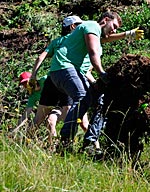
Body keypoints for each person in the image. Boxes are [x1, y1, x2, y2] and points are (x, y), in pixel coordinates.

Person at [48, 11, 123, 150]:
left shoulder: (97, 33)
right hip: (64, 67)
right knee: (82, 96)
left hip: (74, 71)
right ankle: (65, 141)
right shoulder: (91, 25)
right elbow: (92, 52)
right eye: (114, 26)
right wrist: (102, 74)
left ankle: (90, 142)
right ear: (105, 20)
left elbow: (106, 38)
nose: (114, 30)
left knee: (101, 101)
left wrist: (128, 34)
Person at [28, 15, 89, 144]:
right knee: (69, 114)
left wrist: (33, 76)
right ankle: (66, 144)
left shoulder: (56, 41)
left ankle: (24, 142)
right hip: (67, 77)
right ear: (73, 27)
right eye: (79, 26)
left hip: (52, 79)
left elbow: (40, 58)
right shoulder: (78, 41)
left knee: (39, 117)